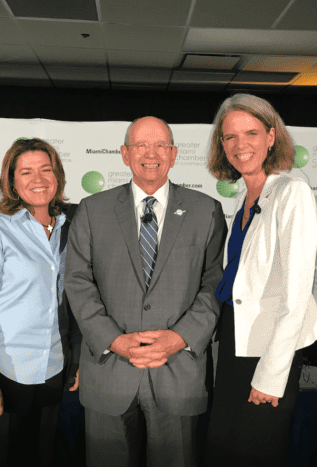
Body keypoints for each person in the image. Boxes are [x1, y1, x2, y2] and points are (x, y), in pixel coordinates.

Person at [65, 116, 226, 467]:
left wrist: (180, 338)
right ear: (125, 154)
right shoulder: (92, 210)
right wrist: (113, 340)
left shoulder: (206, 210)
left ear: (173, 155)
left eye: (160, 145)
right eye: (140, 145)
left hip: (178, 370)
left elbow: (215, 283)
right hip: (110, 370)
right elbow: (77, 281)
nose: (150, 154)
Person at [205, 94, 317, 467]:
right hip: (235, 342)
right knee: (223, 450)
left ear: (271, 137)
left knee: (255, 453)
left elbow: (296, 294)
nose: (240, 145)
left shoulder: (292, 192)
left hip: (269, 351)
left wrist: (271, 376)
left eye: (251, 133)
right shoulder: (245, 197)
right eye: (230, 137)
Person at [0, 138, 81, 466]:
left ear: (58, 176)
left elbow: (77, 298)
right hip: (7, 371)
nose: (38, 179)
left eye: (46, 169)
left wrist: (78, 358)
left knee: (42, 457)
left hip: (54, 367)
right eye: (26, 172)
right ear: (11, 181)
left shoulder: (72, 227)